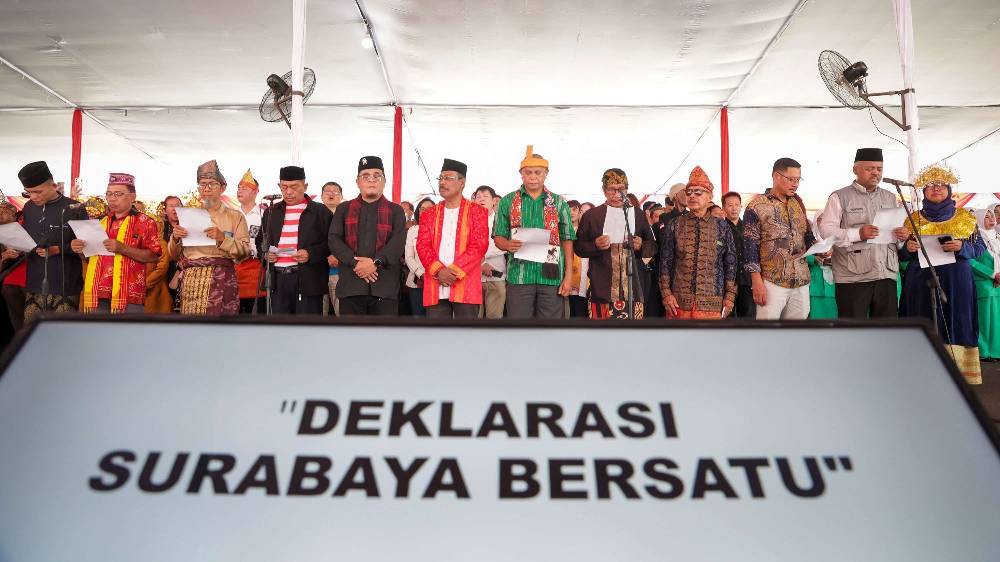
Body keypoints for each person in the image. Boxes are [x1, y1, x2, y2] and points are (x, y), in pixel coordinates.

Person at [899, 165, 985, 384]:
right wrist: (907, 249)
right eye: (930, 185)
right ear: (924, 191)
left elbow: (979, 248)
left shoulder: (965, 217)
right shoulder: (912, 219)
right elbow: (900, 253)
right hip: (920, 281)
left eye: (940, 185)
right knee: (921, 318)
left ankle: (957, 375)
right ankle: (921, 374)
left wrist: (962, 247)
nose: (936, 188)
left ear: (948, 189)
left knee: (957, 319)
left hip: (957, 280)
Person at [819, 148, 909, 318]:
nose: (875, 173)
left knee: (886, 329)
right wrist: (858, 234)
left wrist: (902, 237)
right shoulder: (840, 196)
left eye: (879, 169)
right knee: (854, 330)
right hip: (852, 277)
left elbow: (895, 234)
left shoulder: (890, 197)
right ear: (855, 169)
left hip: (885, 274)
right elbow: (826, 230)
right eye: (870, 169)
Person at [492, 146, 576, 319]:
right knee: (520, 328)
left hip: (552, 276)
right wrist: (507, 244)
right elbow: (498, 237)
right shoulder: (507, 201)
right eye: (528, 172)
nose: (533, 177)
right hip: (519, 276)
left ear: (546, 174)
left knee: (550, 329)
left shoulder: (559, 203)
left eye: (538, 172)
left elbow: (567, 240)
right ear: (521, 174)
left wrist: (568, 276)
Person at [167, 160, 250, 315]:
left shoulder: (235, 217)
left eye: (212, 184)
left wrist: (223, 239)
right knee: (194, 326)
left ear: (223, 187)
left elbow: (245, 252)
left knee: (220, 326)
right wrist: (176, 238)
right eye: (203, 184)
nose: (206, 189)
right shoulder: (188, 215)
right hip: (192, 281)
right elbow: (173, 255)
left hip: (222, 278)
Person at [71, 173, 161, 313]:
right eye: (109, 194)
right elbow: (89, 258)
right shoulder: (100, 222)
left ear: (133, 196)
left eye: (118, 194)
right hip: (97, 291)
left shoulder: (145, 222)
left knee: (126, 328)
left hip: (129, 294)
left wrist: (123, 248)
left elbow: (153, 256)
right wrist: (80, 250)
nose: (112, 198)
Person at [328, 156, 407, 316]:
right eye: (366, 176)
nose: (371, 180)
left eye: (377, 176)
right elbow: (334, 239)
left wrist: (376, 263)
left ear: (384, 181)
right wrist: (355, 263)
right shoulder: (344, 209)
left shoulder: (396, 210)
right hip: (351, 286)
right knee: (351, 332)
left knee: (383, 333)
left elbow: (398, 243)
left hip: (384, 288)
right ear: (357, 182)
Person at [574, 168, 655, 319]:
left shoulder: (637, 214)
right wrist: (595, 245)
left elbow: (653, 246)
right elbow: (578, 247)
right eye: (612, 189)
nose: (617, 194)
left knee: (631, 333)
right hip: (601, 289)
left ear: (627, 189)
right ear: (604, 190)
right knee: (602, 332)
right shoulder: (592, 215)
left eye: (621, 189)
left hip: (633, 289)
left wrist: (641, 245)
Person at [658, 166, 737, 319]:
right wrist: (666, 294)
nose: (692, 196)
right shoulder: (675, 224)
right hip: (679, 303)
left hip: (712, 303)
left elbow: (731, 263)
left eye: (698, 192)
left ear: (710, 196)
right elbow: (665, 262)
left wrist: (730, 296)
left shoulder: (722, 227)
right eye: (689, 193)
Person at [744, 158, 817, 320]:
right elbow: (750, 247)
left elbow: (807, 235)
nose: (795, 184)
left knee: (797, 331)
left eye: (798, 179)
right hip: (772, 282)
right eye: (791, 179)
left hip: (801, 280)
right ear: (776, 176)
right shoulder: (756, 206)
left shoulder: (798, 203)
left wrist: (820, 249)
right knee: (767, 331)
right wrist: (756, 281)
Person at [416, 159, 489, 319]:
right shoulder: (429, 214)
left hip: (466, 286)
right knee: (437, 333)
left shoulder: (477, 212)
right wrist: (439, 271)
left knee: (466, 333)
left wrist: (453, 272)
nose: (442, 182)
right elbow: (422, 246)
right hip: (436, 284)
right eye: (441, 178)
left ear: (462, 182)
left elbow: (479, 246)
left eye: (448, 178)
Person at [17, 161, 88, 319]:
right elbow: (27, 239)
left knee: (62, 330)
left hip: (65, 283)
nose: (33, 197)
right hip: (35, 282)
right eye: (28, 192)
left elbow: (87, 247)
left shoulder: (74, 208)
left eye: (38, 192)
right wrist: (17, 247)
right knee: (33, 329)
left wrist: (60, 249)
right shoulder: (28, 207)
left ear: (53, 186)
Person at [258, 166, 332, 315]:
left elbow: (331, 243)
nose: (288, 192)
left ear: (305, 186)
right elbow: (260, 241)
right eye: (284, 187)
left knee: (307, 325)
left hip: (308, 280)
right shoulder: (271, 212)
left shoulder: (320, 211)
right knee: (279, 326)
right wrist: (265, 255)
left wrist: (310, 253)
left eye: (294, 187)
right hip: (277, 280)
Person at [972, 208, 1000, 361]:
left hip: (998, 284)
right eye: (987, 217)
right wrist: (992, 274)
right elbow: (970, 262)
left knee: (997, 320)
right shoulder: (975, 238)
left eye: (992, 216)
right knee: (984, 320)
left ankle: (996, 351)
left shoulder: (997, 237)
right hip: (984, 284)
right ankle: (984, 352)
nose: (992, 219)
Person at [474, 186, 506, 318]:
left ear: (494, 201)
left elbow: (504, 245)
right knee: (472, 320)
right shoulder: (468, 221)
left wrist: (480, 256)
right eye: (478, 197)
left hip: (497, 276)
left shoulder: (503, 220)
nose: (481, 199)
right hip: (473, 278)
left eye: (485, 196)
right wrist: (481, 264)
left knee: (494, 320)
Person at [235, 169, 264, 313]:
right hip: (234, 269)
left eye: (244, 188)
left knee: (257, 315)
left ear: (255, 191)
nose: (239, 191)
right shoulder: (231, 214)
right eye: (238, 188)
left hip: (256, 269)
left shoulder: (264, 214)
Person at [722, 191, 754, 318]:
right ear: (724, 208)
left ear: (741, 206)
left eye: (737, 204)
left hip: (746, 280)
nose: (734, 208)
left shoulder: (749, 228)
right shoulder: (720, 228)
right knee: (727, 317)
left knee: (747, 317)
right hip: (727, 281)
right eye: (730, 205)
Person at [144, 196, 177, 313]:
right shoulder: (142, 241)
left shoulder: (160, 242)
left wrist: (145, 283)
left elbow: (162, 267)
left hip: (157, 286)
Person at [404, 197, 435, 316]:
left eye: (429, 208)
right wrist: (421, 274)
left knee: (435, 320)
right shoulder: (413, 230)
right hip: (417, 281)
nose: (425, 211)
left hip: (438, 281)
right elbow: (408, 257)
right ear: (418, 212)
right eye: (422, 209)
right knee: (418, 319)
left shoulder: (442, 230)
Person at [0, 202, 27, 331]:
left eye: (5, 210)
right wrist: (4, 256)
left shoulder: (25, 228)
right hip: (8, 279)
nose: (1, 213)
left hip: (28, 278)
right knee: (17, 320)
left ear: (14, 214)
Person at [806, 214, 837, 319]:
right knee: (816, 322)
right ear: (815, 222)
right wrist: (813, 258)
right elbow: (797, 257)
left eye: (826, 220)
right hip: (815, 287)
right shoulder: (808, 239)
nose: (823, 223)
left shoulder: (838, 239)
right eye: (819, 220)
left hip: (834, 288)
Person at [320, 181, 343, 316]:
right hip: (317, 274)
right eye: (327, 191)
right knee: (319, 316)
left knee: (341, 314)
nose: (331, 194)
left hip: (338, 274)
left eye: (335, 191)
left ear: (341, 197)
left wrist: (338, 256)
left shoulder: (346, 217)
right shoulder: (313, 217)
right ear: (321, 196)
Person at [566, 200, 589, 318]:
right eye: (568, 210)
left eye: (575, 210)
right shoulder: (562, 231)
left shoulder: (586, 232)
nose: (572, 213)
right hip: (567, 275)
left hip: (583, 276)